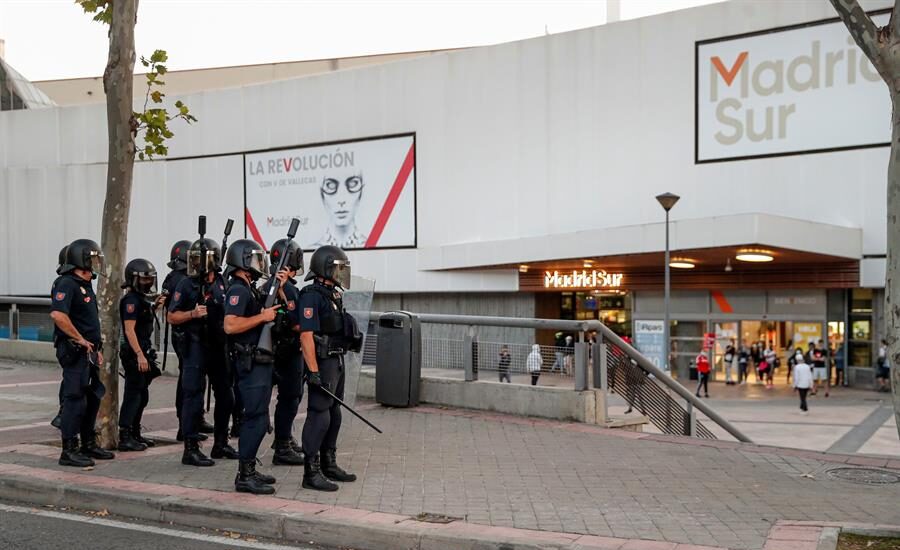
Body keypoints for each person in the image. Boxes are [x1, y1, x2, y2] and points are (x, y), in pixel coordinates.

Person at [298, 245, 362, 492]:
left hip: (336, 360)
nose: (341, 273)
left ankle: (328, 462)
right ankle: (310, 471)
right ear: (325, 268)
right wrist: (313, 370)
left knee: (334, 413)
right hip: (322, 362)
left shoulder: (332, 294)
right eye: (338, 268)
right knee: (319, 414)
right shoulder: (311, 295)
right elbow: (306, 336)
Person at [50, 239, 115, 467]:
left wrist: (95, 349)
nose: (96, 264)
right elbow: (58, 315)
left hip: (89, 352)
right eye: (92, 259)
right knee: (74, 400)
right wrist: (79, 339)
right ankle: (69, 450)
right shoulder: (66, 283)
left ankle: (88, 443)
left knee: (92, 397)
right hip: (75, 351)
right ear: (81, 260)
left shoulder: (84, 283)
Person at [168, 237, 232, 467]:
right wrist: (192, 314)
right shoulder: (186, 284)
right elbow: (172, 316)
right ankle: (191, 448)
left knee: (226, 395)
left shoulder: (222, 282)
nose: (196, 264)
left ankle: (221, 443)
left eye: (200, 259)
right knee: (193, 396)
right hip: (195, 345)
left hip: (218, 345)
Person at [223, 238, 281, 494]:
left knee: (259, 417)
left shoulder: (249, 288)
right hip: (249, 363)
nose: (260, 264)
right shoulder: (238, 290)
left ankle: (249, 468)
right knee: (255, 419)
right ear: (243, 262)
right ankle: (244, 475)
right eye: (256, 259)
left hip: (258, 362)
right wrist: (262, 317)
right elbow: (230, 325)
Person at [161, 240, 212, 443]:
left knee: (193, 382)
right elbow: (172, 312)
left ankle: (194, 419)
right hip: (186, 334)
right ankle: (187, 423)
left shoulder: (176, 277)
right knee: (189, 383)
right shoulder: (180, 280)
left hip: (192, 334)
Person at [262, 238, 306, 466]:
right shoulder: (286, 289)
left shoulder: (265, 285)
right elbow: (297, 323)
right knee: (289, 398)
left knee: (286, 398)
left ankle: (285, 437)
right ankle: (282, 446)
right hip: (287, 351)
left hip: (272, 351)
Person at [117, 259, 165, 452]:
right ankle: (125, 435)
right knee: (133, 394)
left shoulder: (141, 300)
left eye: (150, 279)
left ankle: (135, 433)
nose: (148, 283)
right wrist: (139, 355)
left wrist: (156, 307)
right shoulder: (130, 301)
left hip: (142, 351)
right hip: (134, 354)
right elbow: (129, 330)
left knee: (141, 395)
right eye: (144, 279)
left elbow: (144, 320)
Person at [312, 171, 368, 248]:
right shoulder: (313, 250)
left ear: (362, 191)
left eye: (352, 184)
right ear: (321, 193)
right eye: (330, 185)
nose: (341, 200)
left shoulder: (370, 246)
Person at [50, 245, 71, 430]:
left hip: (75, 341)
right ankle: (63, 414)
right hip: (69, 342)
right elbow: (59, 314)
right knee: (72, 381)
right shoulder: (64, 283)